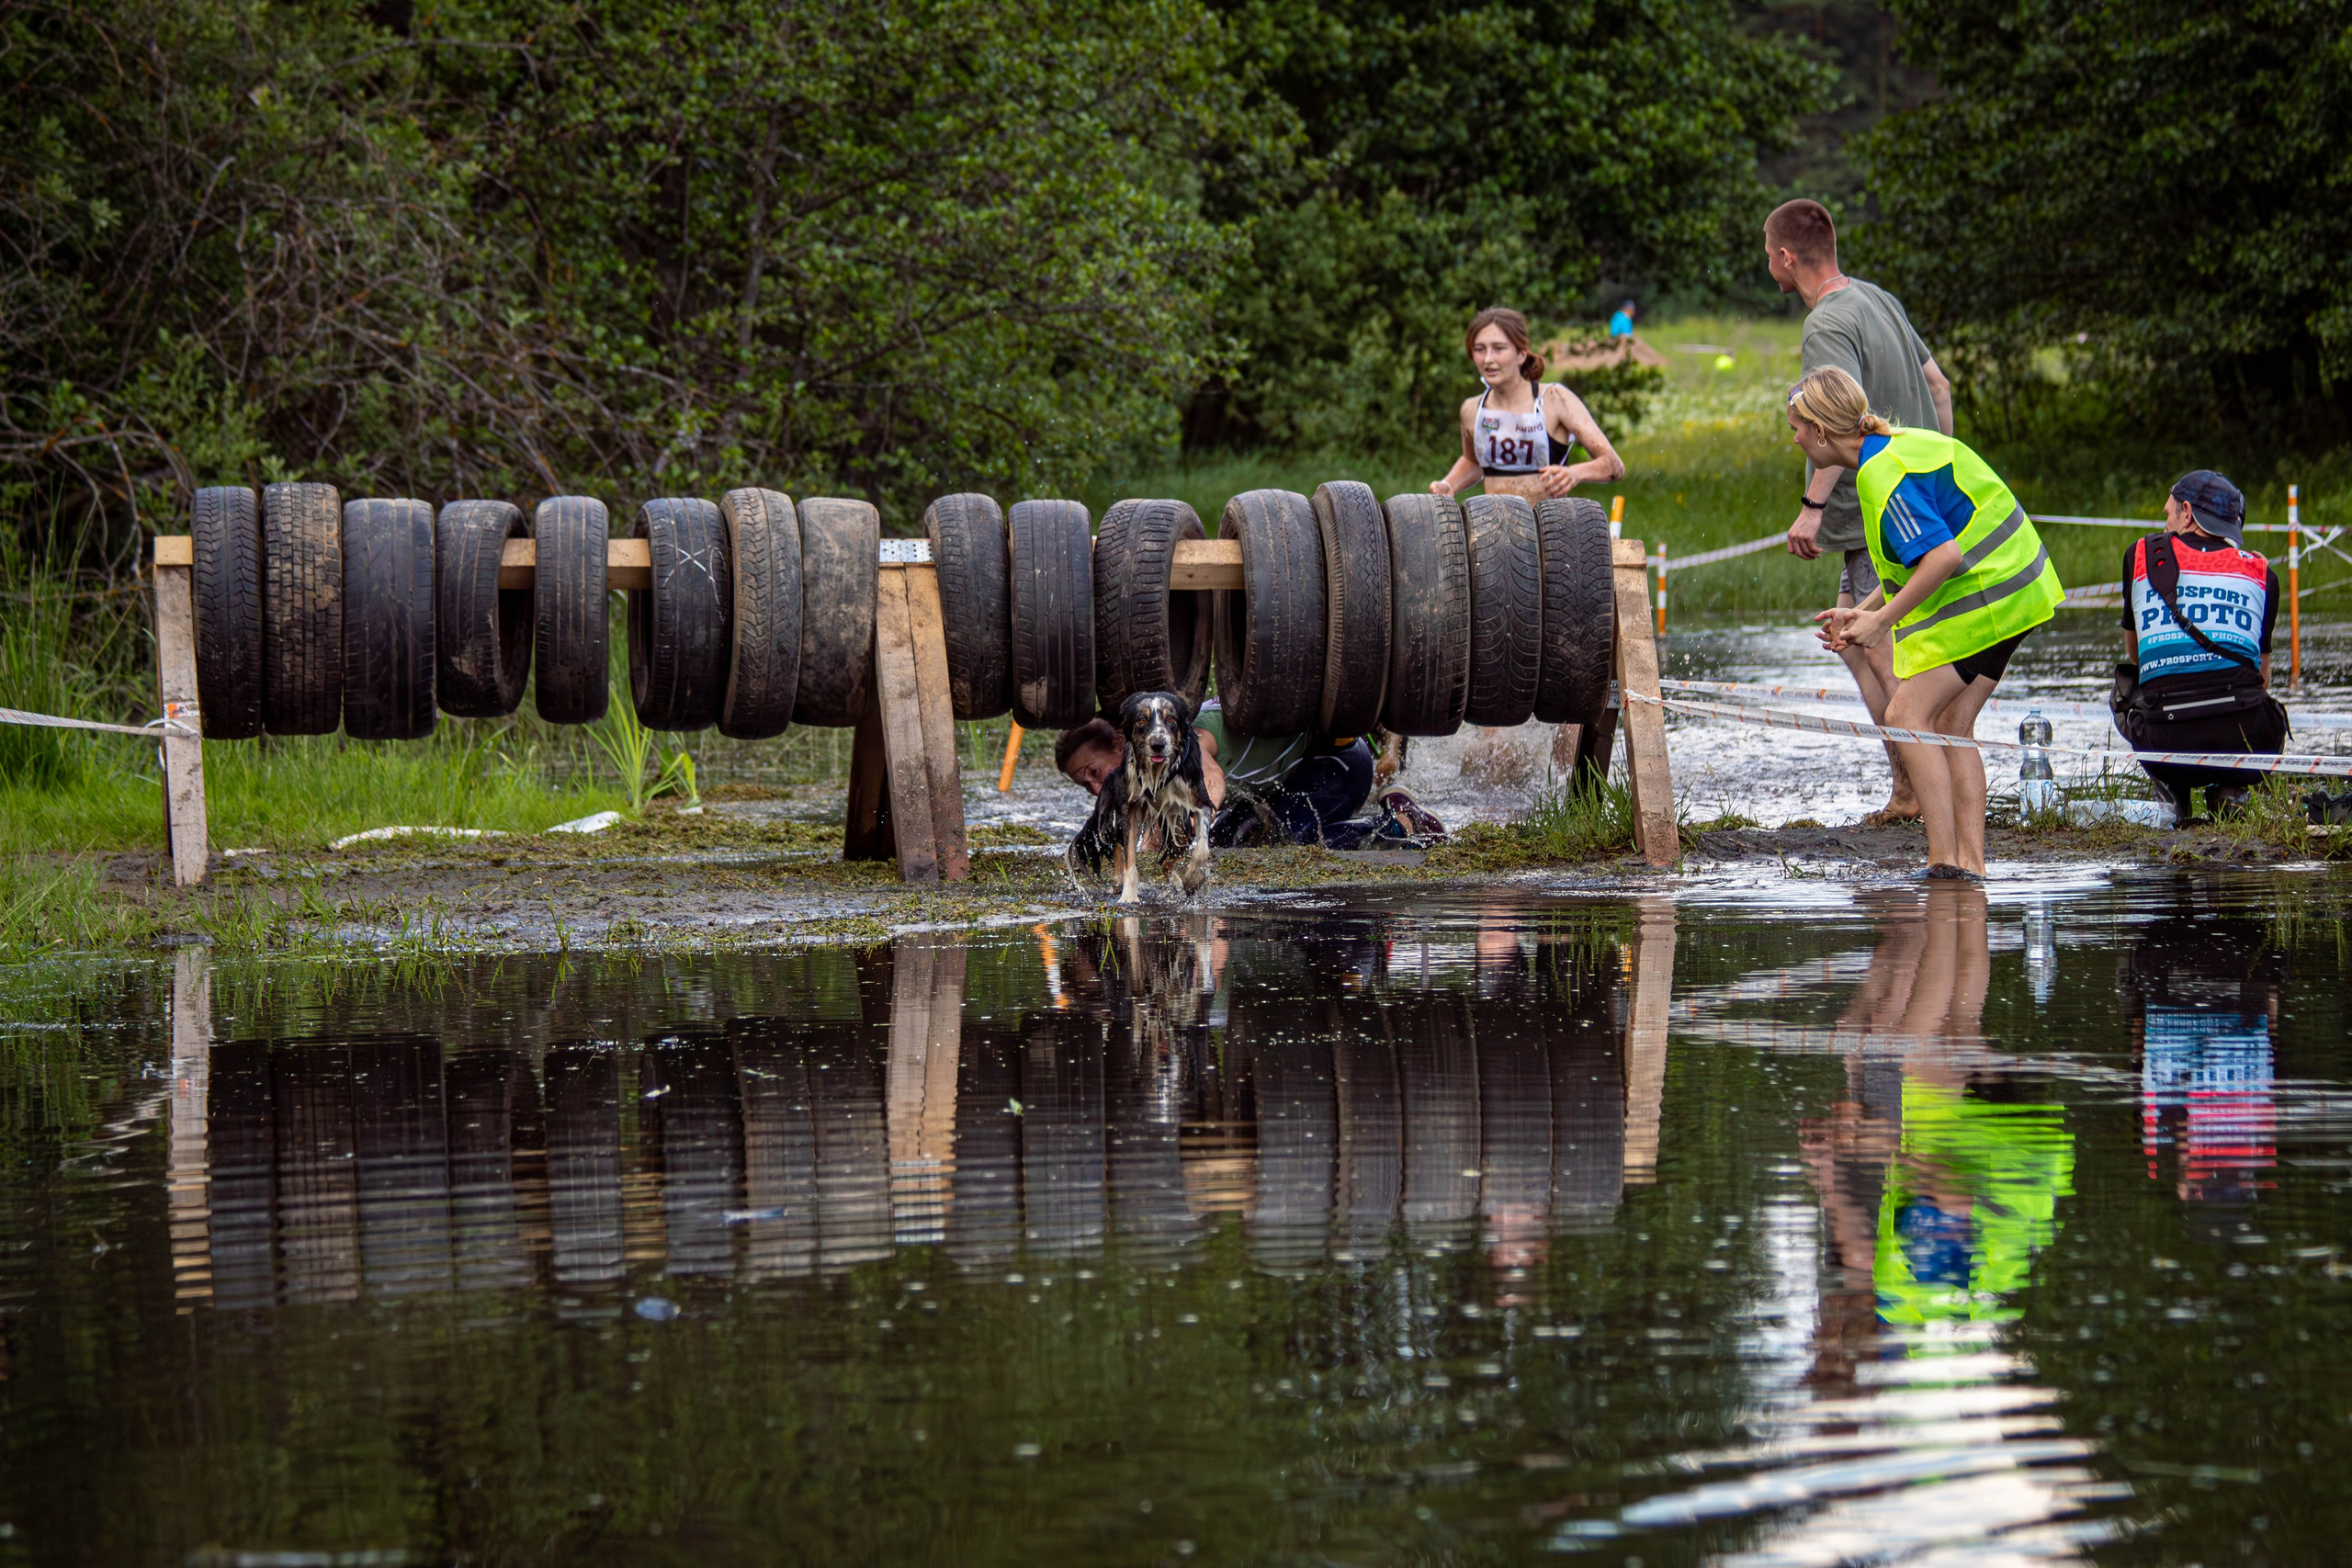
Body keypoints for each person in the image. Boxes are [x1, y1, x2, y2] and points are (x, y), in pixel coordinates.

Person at [1795, 367, 2064, 879]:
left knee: (1905, 715)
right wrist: (1869, 609)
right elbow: (1915, 560)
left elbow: (1941, 556)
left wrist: (1881, 624)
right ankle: (1971, 868)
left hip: (1996, 595)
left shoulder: (1881, 473)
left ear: (1822, 433)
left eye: (1797, 428)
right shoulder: (1891, 447)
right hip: (2019, 587)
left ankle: (1944, 864)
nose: (1794, 438)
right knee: (1950, 725)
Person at [1767, 198, 1957, 823]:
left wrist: (1810, 508)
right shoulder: (1878, 298)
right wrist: (1943, 475)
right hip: (1919, 500)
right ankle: (1912, 788)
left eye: (1769, 254)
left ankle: (1923, 794)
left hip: (1873, 511)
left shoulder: (1825, 324)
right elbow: (1940, 387)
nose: (1769, 263)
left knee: (1879, 648)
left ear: (1786, 258)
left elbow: (1831, 420)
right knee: (1855, 643)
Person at [2112, 470, 2288, 825]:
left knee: (2126, 686)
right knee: (2258, 700)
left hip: (2165, 742)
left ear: (2187, 513)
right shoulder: (2262, 573)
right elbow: (2262, 678)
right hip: (2249, 740)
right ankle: (2232, 789)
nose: (2164, 523)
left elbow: (2138, 656)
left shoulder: (2141, 555)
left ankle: (2173, 793)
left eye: (2167, 514)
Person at [1056, 700, 1444, 851]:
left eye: (1093, 772)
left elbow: (1209, 778)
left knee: (1292, 842)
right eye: (1084, 785)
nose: (1095, 787)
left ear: (1122, 742)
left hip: (1336, 764)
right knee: (1231, 843)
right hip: (1289, 781)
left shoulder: (1186, 739)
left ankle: (1404, 820)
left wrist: (1196, 817)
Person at [1430, 307, 1625, 504]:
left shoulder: (1555, 399)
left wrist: (1574, 473)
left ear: (1522, 354)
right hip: (1493, 528)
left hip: (1549, 528)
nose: (1488, 359)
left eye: (1499, 348)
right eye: (1480, 350)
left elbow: (1613, 465)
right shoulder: (1472, 410)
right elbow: (1473, 462)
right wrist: (1448, 484)